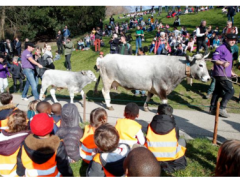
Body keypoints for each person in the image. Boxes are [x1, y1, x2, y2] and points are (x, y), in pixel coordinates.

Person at [146, 104, 187, 173]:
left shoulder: (150, 125)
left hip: (152, 157)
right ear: (171, 115)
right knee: (182, 141)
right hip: (171, 157)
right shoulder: (174, 127)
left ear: (157, 113)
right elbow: (176, 139)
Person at [210, 34, 238, 118]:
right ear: (226, 39)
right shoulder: (221, 48)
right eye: (231, 39)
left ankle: (213, 109)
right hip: (221, 73)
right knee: (230, 91)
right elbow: (214, 59)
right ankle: (222, 108)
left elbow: (227, 64)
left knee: (217, 91)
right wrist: (222, 63)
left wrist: (232, 72)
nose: (233, 41)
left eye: (234, 40)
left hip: (225, 73)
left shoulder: (229, 49)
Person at [0, 110, 31, 177]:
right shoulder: (26, 139)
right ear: (25, 123)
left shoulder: (1, 136)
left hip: (2, 172)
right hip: (18, 174)